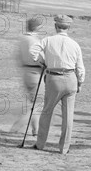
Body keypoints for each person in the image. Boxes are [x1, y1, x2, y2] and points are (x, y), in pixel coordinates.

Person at [30, 15, 85, 155]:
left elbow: (33, 51)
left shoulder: (47, 40)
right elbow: (80, 68)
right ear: (69, 28)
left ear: (56, 26)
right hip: (71, 78)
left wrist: (42, 61)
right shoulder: (75, 44)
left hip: (53, 79)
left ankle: (40, 144)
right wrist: (80, 82)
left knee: (47, 111)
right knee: (68, 116)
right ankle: (64, 148)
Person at [10, 18, 45, 135]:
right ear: (36, 28)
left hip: (26, 72)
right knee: (37, 105)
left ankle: (36, 130)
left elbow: (17, 57)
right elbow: (40, 58)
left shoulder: (23, 39)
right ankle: (18, 125)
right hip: (35, 73)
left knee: (35, 103)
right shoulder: (34, 41)